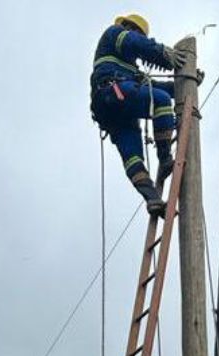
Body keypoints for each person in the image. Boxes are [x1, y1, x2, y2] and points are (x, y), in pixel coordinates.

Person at [90, 14, 187, 217]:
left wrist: (186, 83)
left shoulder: (131, 70)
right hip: (113, 94)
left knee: (133, 157)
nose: (137, 36)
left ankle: (152, 198)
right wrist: (162, 53)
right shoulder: (114, 34)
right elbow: (135, 43)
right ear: (127, 27)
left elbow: (153, 86)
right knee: (159, 100)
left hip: (115, 113)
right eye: (137, 32)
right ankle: (165, 157)